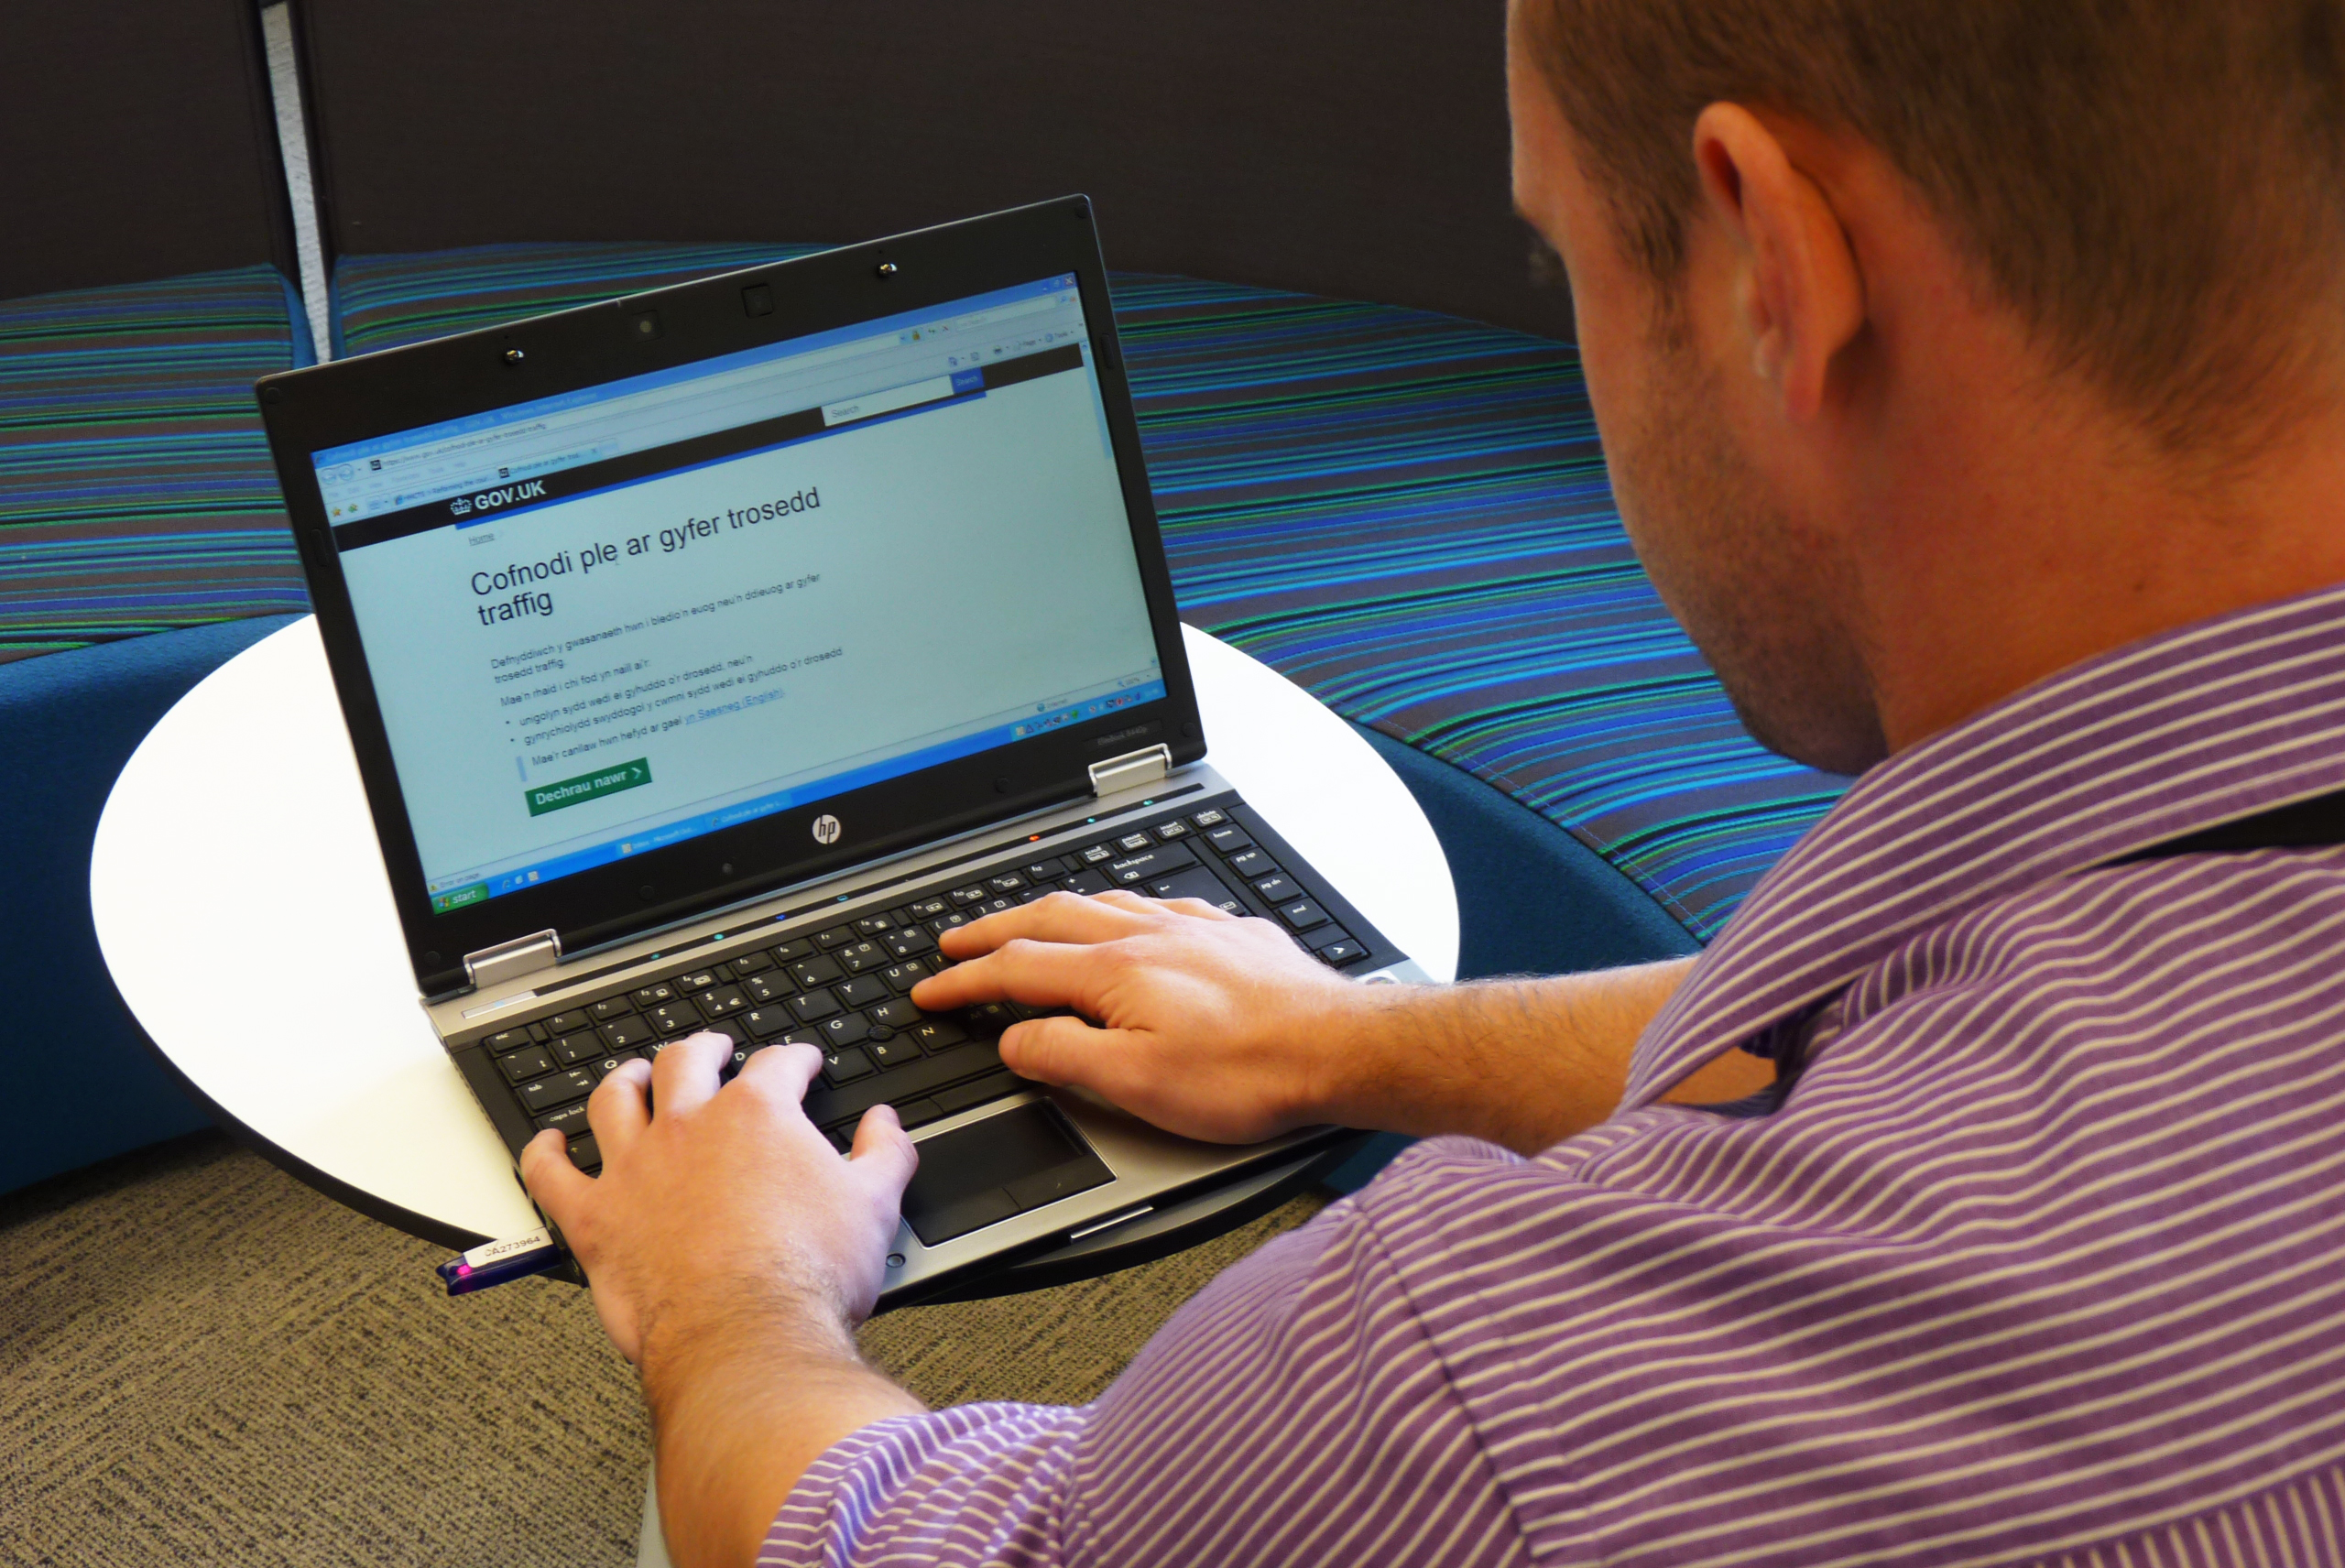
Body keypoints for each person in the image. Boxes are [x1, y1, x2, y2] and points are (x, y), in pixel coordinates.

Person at [521, 0, 2345, 1563]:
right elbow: (1894, 1010)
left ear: (1765, 273)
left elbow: (946, 1545)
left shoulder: (1499, 1400)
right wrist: (1355, 1036)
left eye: (1559, 259)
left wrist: (727, 1298)